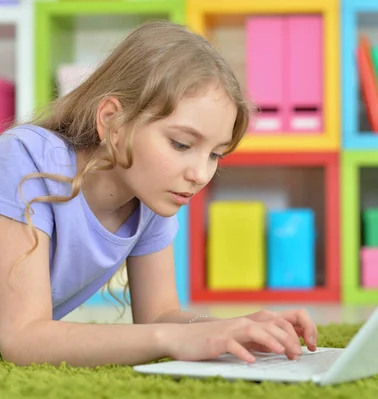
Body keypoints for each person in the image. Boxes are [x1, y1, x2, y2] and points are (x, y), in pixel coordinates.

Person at [0, 20, 318, 368]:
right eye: (181, 144)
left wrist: (231, 328)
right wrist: (176, 338)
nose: (200, 175)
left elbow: (159, 316)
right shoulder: (24, 158)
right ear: (112, 121)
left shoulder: (149, 192)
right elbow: (22, 338)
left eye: (215, 154)